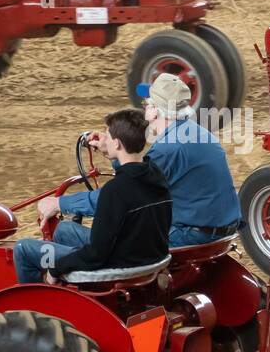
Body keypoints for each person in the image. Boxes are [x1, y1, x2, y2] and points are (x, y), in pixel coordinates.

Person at [37, 73, 242, 249]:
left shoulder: (169, 148)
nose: (144, 108)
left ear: (155, 110)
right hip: (219, 233)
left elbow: (121, 198)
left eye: (146, 104)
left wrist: (60, 203)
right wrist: (114, 153)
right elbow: (138, 176)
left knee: (66, 231)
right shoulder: (195, 133)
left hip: (192, 236)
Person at [13, 109, 171, 283]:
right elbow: (129, 169)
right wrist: (108, 151)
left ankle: (38, 304)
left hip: (116, 263)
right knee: (63, 230)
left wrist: (56, 269)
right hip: (146, 255)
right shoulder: (156, 174)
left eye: (107, 135)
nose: (105, 138)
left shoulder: (115, 190)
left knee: (23, 248)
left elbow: (96, 254)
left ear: (117, 144)